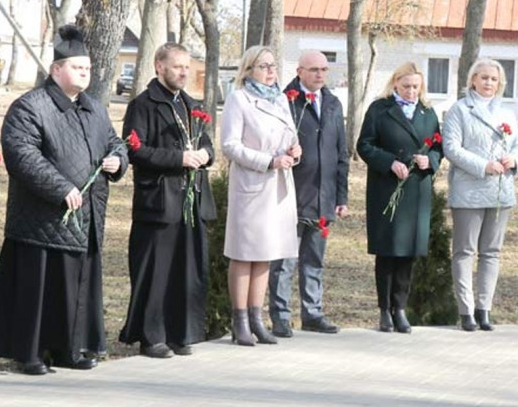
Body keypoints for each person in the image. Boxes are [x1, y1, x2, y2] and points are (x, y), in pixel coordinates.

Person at [0, 25, 128, 374]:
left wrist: (118, 160)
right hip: (42, 218)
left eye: (88, 69)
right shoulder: (30, 106)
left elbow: (115, 142)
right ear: (56, 69)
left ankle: (69, 349)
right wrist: (60, 187)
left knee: (75, 289)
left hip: (86, 215)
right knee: (39, 288)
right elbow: (21, 155)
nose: (85, 73)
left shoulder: (94, 107)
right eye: (78, 68)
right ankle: (29, 353)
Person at [119, 43, 216, 358]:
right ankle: (152, 335)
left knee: (186, 270)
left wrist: (205, 154)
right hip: (159, 202)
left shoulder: (191, 104)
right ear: (159, 66)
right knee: (157, 272)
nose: (184, 72)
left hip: (190, 203)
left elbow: (207, 146)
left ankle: (180, 332)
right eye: (177, 66)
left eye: (187, 67)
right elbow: (135, 150)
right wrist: (179, 158)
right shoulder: (143, 105)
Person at [221, 46, 300, 346]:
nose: (270, 71)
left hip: (278, 186)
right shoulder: (239, 98)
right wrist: (268, 161)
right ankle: (239, 319)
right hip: (252, 184)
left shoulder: (280, 99)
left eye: (273, 65)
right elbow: (230, 145)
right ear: (249, 68)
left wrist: (295, 149)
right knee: (244, 253)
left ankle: (257, 317)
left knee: (265, 253)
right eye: (264, 66)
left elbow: (290, 135)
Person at [357, 62, 442, 334]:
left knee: (408, 252)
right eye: (406, 86)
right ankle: (384, 310)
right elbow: (365, 145)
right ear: (395, 84)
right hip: (387, 188)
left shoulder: (428, 113)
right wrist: (390, 162)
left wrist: (429, 160)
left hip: (416, 189)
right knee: (388, 251)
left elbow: (439, 147)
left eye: (416, 86)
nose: (411, 91)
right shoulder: (380, 109)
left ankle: (400, 308)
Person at [269, 51, 349, 337]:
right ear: (300, 70)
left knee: (314, 259)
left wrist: (341, 197)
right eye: (314, 69)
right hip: (292, 194)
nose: (320, 75)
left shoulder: (332, 104)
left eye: (324, 70)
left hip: (323, 197)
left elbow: (341, 153)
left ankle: (313, 313)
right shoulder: (286, 100)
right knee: (285, 260)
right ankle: (280, 315)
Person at [443, 58, 518, 332]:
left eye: (494, 79)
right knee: (465, 251)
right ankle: (466, 310)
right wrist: (483, 165)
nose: (489, 83)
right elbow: (452, 148)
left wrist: (513, 160)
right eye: (484, 78)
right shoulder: (460, 110)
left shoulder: (507, 113)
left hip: (501, 191)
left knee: (492, 252)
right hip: (470, 189)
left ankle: (484, 308)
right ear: (473, 80)